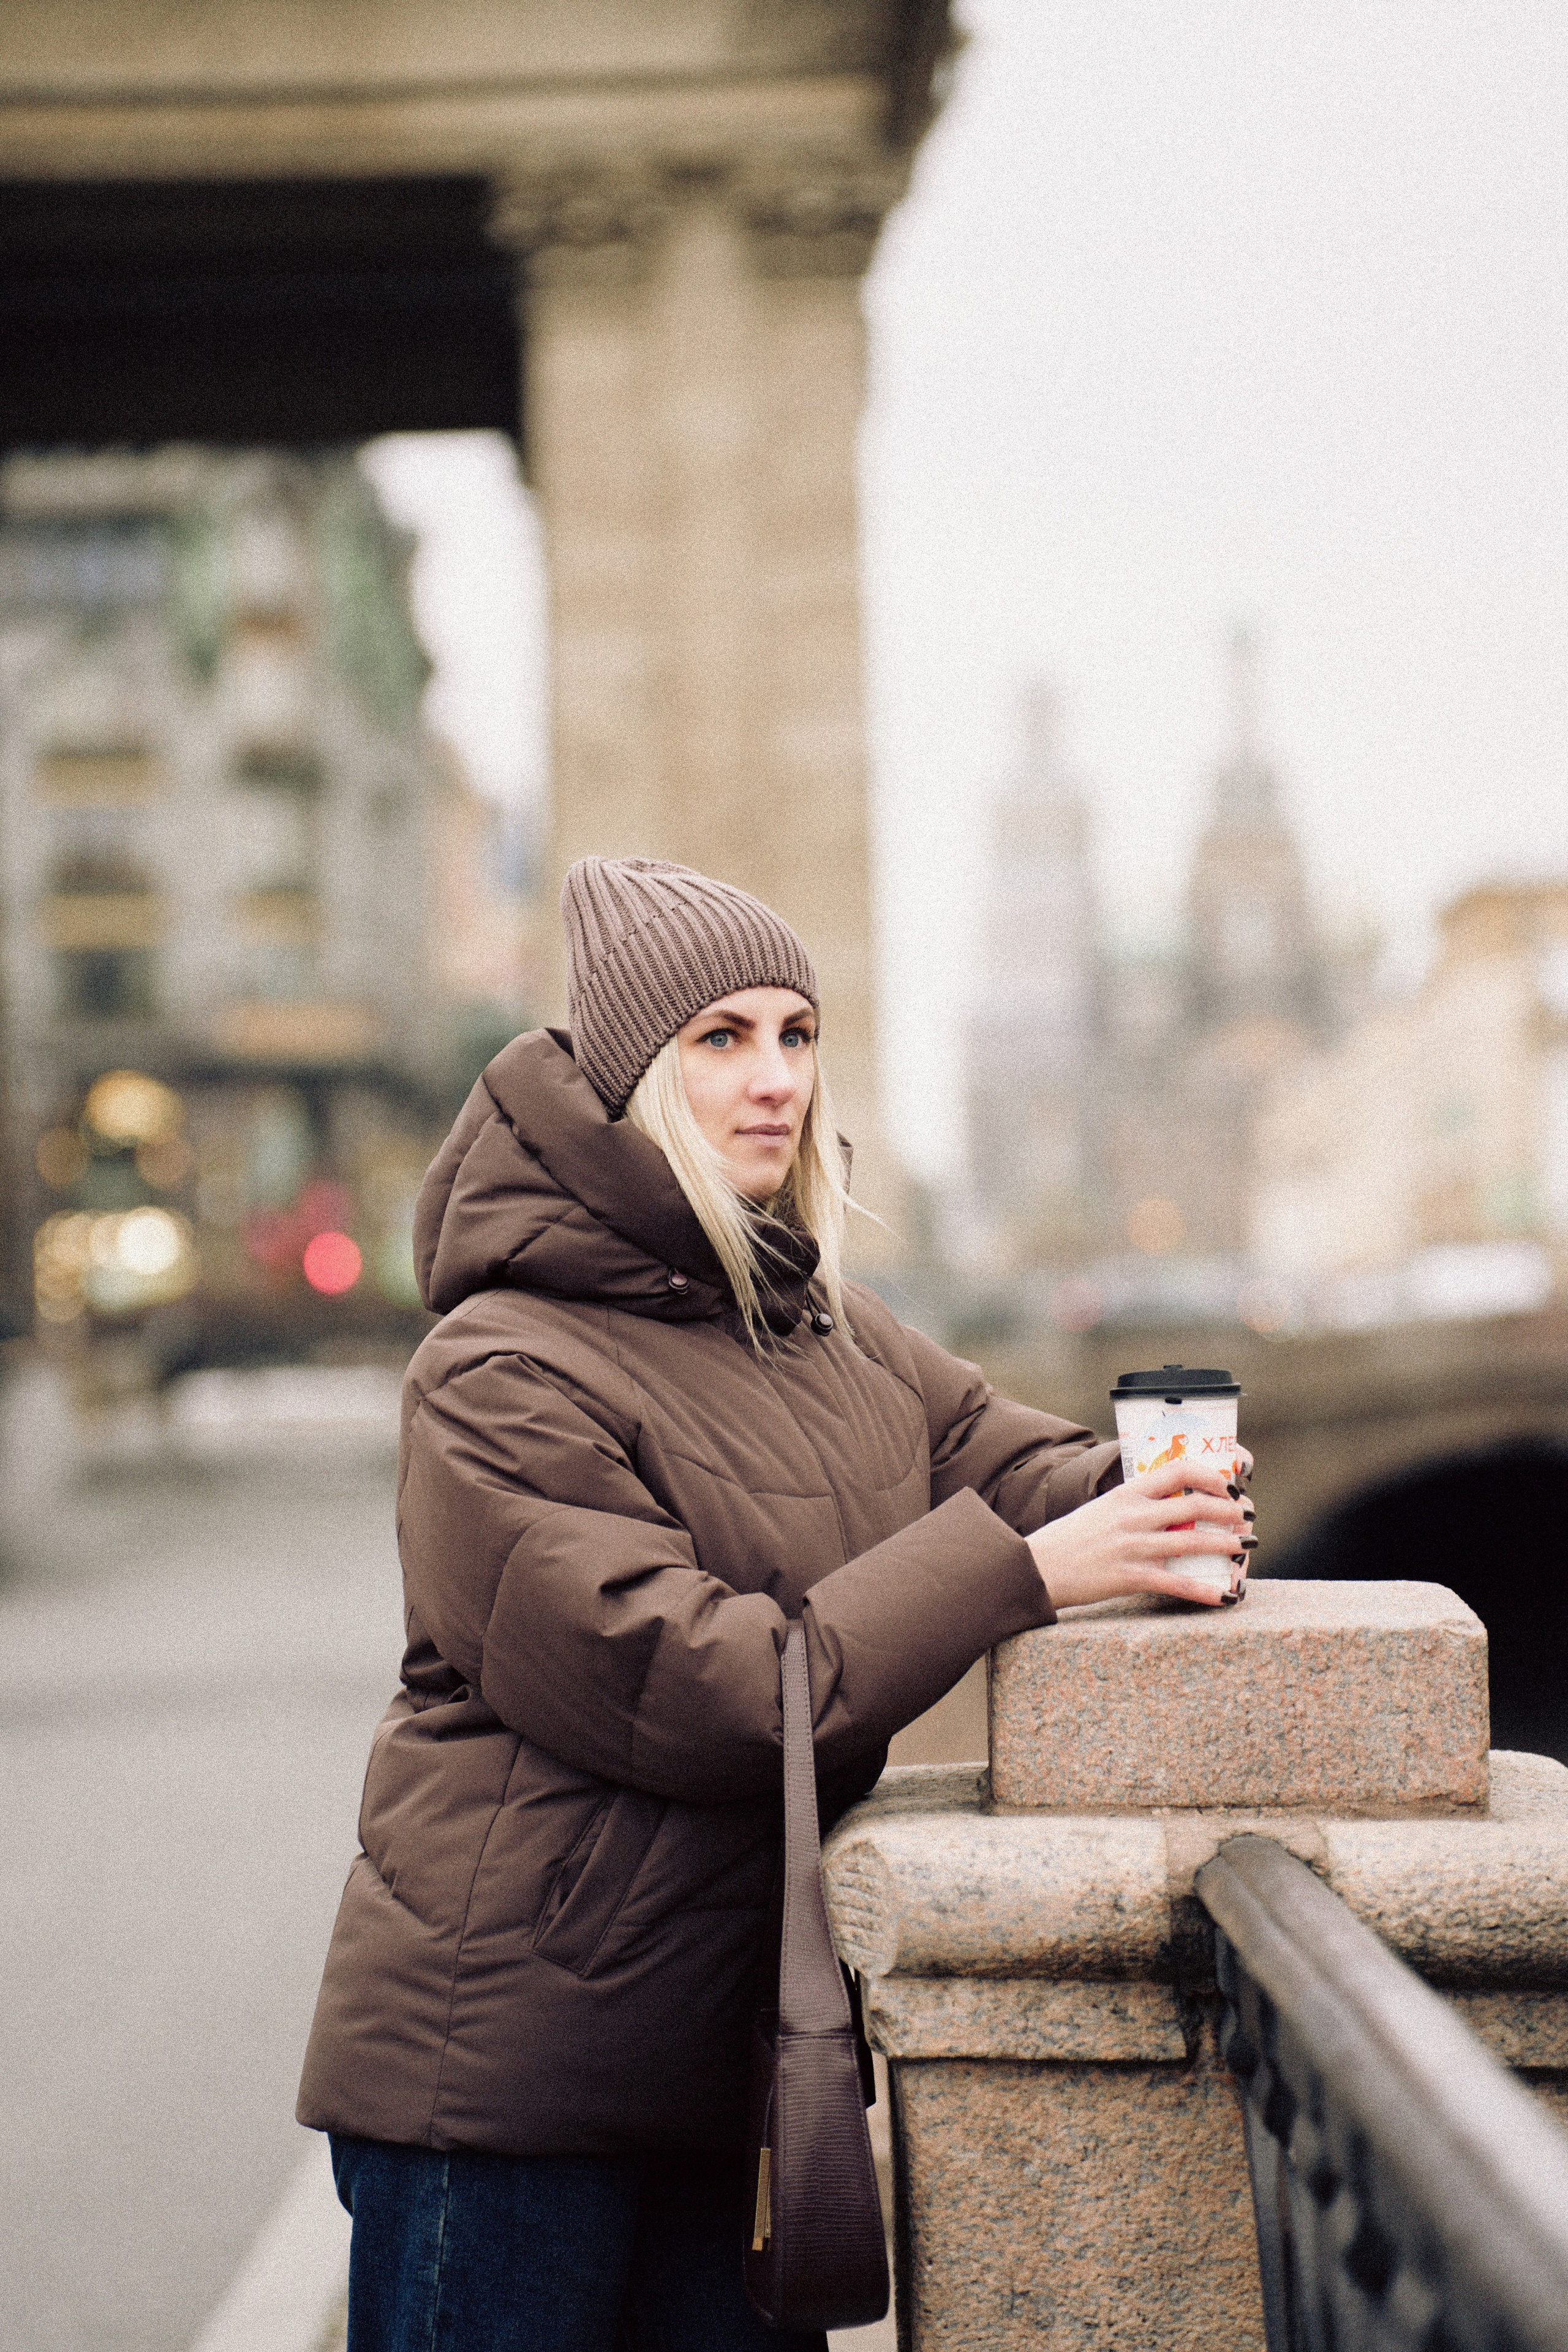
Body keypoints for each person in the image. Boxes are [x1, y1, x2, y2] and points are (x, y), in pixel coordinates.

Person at [297, 856, 1253, 2352]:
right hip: (505, 2082)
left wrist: (1159, 1491)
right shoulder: (497, 1369)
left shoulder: (831, 1329)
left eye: (796, 1035)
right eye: (719, 1039)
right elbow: (705, 1687)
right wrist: (1024, 1576)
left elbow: (1014, 1465)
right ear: (627, 1074)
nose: (774, 1080)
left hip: (736, 2059)